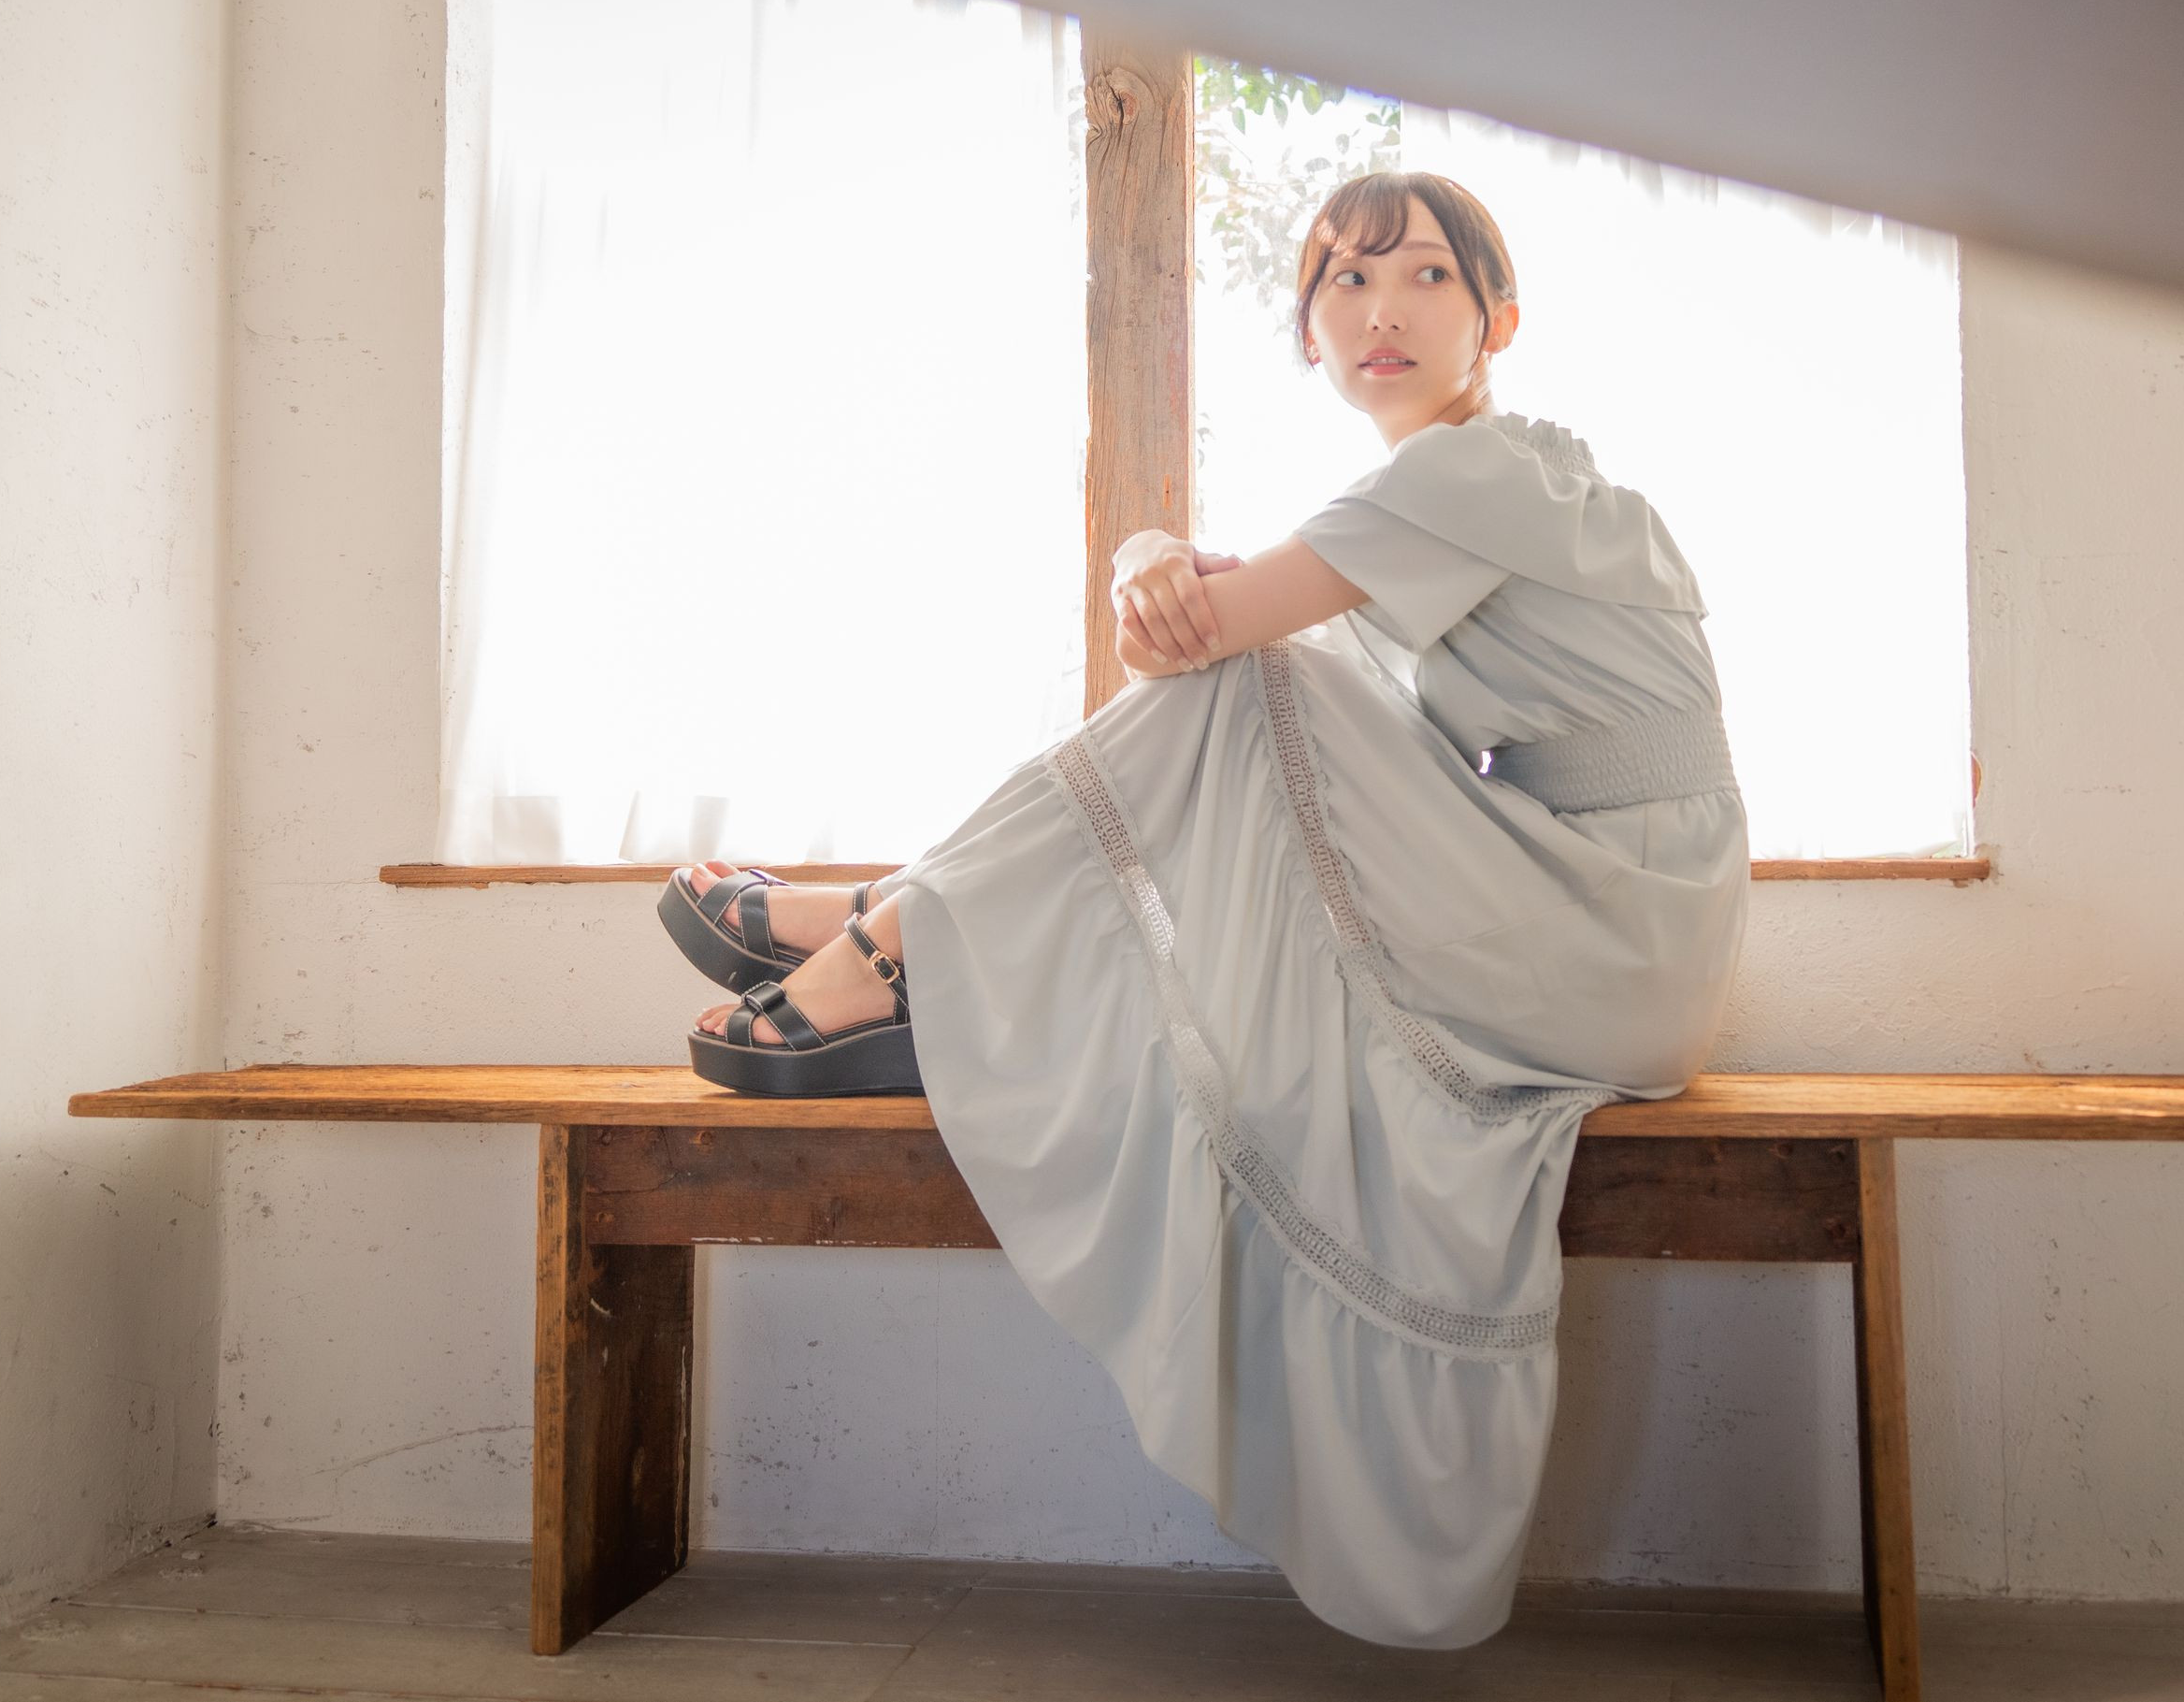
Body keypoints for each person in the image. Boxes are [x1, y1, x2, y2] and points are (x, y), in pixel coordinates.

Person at [659, 170, 1746, 1647]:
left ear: (1498, 318)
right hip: (1628, 924)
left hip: (1609, 930)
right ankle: (897, 917)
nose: (1383, 310)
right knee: (1261, 692)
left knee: (1256, 683)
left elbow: (1198, 645)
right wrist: (1155, 561)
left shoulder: (1472, 476)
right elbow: (1210, 632)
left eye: (1427, 275)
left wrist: (1147, 558)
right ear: (1308, 329)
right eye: (1346, 281)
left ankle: (888, 933)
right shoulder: (1472, 487)